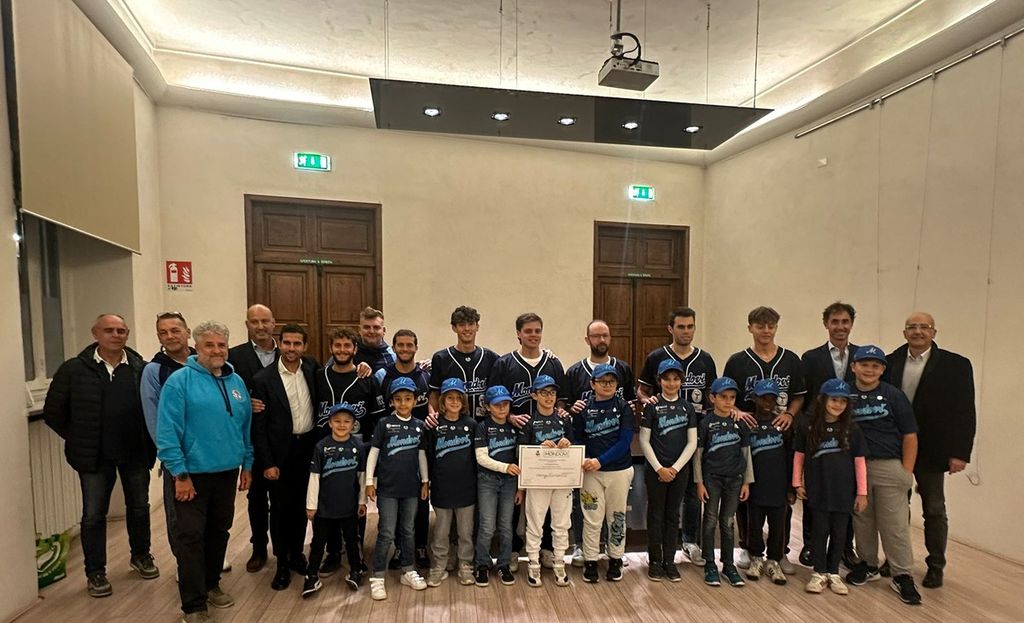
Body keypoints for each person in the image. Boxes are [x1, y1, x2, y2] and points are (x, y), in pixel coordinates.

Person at [44, 313, 158, 598]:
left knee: (139, 507)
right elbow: (54, 412)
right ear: (95, 333)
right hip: (94, 457)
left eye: (121, 331)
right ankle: (95, 572)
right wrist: (78, 437)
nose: (116, 335)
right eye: (109, 330)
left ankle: (141, 556)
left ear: (127, 334)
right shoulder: (73, 369)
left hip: (135, 451)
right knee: (94, 515)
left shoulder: (141, 368)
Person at [157, 320, 253, 622]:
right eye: (209, 345)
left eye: (221, 345)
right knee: (190, 537)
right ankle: (194, 604)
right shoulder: (179, 382)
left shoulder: (236, 383)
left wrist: (247, 464)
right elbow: (167, 432)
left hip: (227, 472)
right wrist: (180, 474)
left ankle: (212, 584)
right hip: (191, 475)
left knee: (219, 531)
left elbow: (245, 427)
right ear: (196, 347)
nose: (216, 350)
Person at [885, 312, 975, 589]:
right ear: (904, 333)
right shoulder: (889, 362)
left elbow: (964, 411)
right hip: (894, 447)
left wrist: (960, 452)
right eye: (912, 327)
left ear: (934, 332)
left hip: (933, 449)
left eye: (924, 327)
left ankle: (936, 565)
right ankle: (896, 560)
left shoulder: (956, 365)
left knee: (934, 508)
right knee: (895, 508)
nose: (918, 331)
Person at [723, 306, 804, 573]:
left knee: (781, 497)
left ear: (776, 327)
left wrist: (790, 414)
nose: (766, 330)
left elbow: (799, 396)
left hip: (779, 431)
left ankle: (780, 552)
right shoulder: (738, 361)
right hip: (747, 432)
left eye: (770, 325)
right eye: (760, 326)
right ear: (750, 328)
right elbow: (727, 395)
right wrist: (737, 411)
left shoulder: (791, 360)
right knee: (746, 494)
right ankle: (748, 547)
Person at [637, 306, 717, 566]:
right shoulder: (656, 356)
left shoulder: (705, 359)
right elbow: (641, 391)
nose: (686, 331)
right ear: (670, 328)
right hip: (663, 436)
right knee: (661, 502)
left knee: (694, 490)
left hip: (696, 434)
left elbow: (712, 396)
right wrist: (647, 400)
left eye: (690, 326)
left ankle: (690, 541)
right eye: (681, 326)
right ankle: (657, 552)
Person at [844, 345, 922, 606]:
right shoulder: (844, 394)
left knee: (894, 524)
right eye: (864, 364)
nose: (869, 369)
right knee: (862, 519)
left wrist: (906, 471)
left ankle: (902, 574)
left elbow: (910, 435)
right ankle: (868, 564)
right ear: (854, 367)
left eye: (875, 365)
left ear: (882, 370)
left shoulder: (893, 395)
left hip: (889, 466)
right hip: (856, 467)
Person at [251, 324, 321, 590]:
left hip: (307, 447)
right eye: (287, 343)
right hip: (280, 453)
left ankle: (297, 554)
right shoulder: (263, 379)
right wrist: (267, 462)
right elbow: (259, 427)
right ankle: (281, 563)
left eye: (297, 343)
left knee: (302, 505)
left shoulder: (312, 369)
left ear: (305, 346)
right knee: (280, 509)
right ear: (279, 344)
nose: (292, 348)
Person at [313, 327, 384, 577]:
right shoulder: (318, 376)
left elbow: (378, 419)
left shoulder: (367, 378)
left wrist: (372, 452)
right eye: (338, 345)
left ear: (355, 349)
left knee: (356, 501)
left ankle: (357, 551)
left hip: (357, 451)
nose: (342, 350)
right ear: (331, 348)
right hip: (325, 451)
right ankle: (333, 552)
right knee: (327, 500)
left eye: (347, 346)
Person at [793, 379, 867, 596]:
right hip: (818, 489)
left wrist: (862, 492)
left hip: (844, 491)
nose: (838, 405)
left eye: (843, 401)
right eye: (834, 400)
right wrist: (797, 482)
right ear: (822, 400)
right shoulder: (809, 427)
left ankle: (833, 572)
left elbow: (860, 462)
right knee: (819, 531)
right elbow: (799, 456)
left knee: (839, 533)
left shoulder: (852, 429)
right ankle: (819, 572)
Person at [799, 301, 859, 567]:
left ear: (851, 324)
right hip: (819, 432)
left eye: (845, 321)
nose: (840, 327)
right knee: (815, 489)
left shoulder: (860, 357)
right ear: (826, 324)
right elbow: (807, 396)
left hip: (847, 433)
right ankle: (810, 545)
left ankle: (845, 547)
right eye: (835, 322)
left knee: (846, 491)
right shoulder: (811, 358)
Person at [364, 377, 429, 600]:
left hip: (411, 488)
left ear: (415, 401)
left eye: (408, 399)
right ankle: (378, 577)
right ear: (392, 401)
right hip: (387, 489)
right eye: (398, 399)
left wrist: (425, 481)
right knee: (386, 532)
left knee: (408, 530)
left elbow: (421, 455)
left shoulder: (419, 426)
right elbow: (373, 452)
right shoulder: (384, 424)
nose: (403, 403)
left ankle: (408, 570)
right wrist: (369, 481)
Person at [140, 312, 195, 566]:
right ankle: (185, 563)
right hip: (178, 456)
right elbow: (154, 419)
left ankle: (211, 557)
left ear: (188, 332)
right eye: (163, 332)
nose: (170, 336)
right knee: (180, 515)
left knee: (210, 511)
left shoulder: (204, 362)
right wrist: (171, 456)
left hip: (209, 454)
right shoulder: (154, 371)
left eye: (175, 330)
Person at [377, 329, 434, 569]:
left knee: (420, 498)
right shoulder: (384, 376)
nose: (405, 349)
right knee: (396, 500)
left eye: (410, 345)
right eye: (400, 345)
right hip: (394, 448)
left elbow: (433, 402)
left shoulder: (425, 375)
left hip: (421, 445)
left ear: (416, 348)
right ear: (394, 347)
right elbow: (380, 412)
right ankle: (400, 547)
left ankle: (419, 546)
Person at [228, 304, 277, 573]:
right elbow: (225, 393)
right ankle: (259, 547)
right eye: (254, 322)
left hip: (282, 439)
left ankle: (285, 548)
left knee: (284, 499)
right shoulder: (234, 357)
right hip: (251, 440)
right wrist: (245, 402)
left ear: (274, 323)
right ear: (247, 325)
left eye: (265, 321)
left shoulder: (288, 354)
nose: (260, 326)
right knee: (257, 498)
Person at [639, 359, 698, 582]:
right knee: (656, 514)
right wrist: (659, 468)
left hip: (679, 471)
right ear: (659, 381)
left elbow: (692, 442)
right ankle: (655, 560)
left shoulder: (688, 407)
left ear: (681, 381)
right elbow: (644, 440)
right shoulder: (652, 406)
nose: (671, 383)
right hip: (655, 471)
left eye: (675, 379)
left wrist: (674, 468)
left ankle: (669, 560)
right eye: (667, 379)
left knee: (673, 515)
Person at [574, 364, 634, 584]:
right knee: (592, 518)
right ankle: (590, 560)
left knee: (616, 517)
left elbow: (625, 441)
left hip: (619, 471)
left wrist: (600, 460)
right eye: (602, 381)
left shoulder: (624, 407)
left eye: (612, 381)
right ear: (593, 384)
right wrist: (587, 459)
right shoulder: (583, 408)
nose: (607, 385)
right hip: (591, 473)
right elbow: (577, 438)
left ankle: (616, 558)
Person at [694, 377, 753, 588]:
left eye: (732, 398)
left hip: (735, 480)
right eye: (723, 397)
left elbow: (746, 454)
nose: (728, 401)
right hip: (712, 479)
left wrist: (747, 482)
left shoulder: (740, 423)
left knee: (728, 522)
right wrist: (699, 482)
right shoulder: (705, 423)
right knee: (710, 520)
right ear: (713, 398)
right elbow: (698, 455)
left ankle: (728, 565)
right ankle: (710, 564)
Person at [302, 403, 367, 598]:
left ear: (353, 424)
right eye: (337, 421)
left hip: (349, 506)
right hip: (324, 507)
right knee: (318, 542)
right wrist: (311, 505)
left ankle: (355, 570)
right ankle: (311, 576)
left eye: (347, 421)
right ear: (330, 423)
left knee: (351, 541)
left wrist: (362, 501)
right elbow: (314, 477)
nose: (342, 425)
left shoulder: (358, 447)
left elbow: (362, 477)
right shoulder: (321, 447)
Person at [519, 375, 573, 588]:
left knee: (561, 524)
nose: (549, 397)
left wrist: (568, 444)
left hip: (562, 481)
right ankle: (533, 563)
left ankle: (559, 562)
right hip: (537, 482)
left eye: (552, 393)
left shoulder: (564, 420)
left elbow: (575, 448)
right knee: (535, 524)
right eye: (544, 393)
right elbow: (520, 452)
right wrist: (538, 449)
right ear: (534, 395)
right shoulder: (529, 422)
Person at [425, 379, 478, 587]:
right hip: (442, 487)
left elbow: (476, 457)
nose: (454, 402)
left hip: (466, 487)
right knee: (441, 532)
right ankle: (439, 564)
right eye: (450, 398)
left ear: (463, 401)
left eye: (458, 398)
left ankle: (465, 564)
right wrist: (428, 481)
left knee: (465, 532)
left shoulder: (471, 425)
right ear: (442, 401)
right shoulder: (434, 425)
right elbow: (428, 455)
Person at [743, 379, 794, 586]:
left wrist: (791, 487)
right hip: (755, 485)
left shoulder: (783, 425)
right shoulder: (748, 424)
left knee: (778, 526)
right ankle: (756, 557)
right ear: (754, 398)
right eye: (763, 398)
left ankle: (774, 560)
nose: (767, 403)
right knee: (754, 524)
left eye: (772, 399)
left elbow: (791, 456)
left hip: (778, 485)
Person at [473, 385, 523, 587]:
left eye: (505, 404)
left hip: (510, 483)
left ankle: (504, 564)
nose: (502, 408)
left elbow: (521, 458)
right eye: (497, 404)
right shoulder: (482, 427)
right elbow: (481, 458)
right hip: (487, 481)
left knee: (506, 526)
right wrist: (505, 467)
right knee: (487, 526)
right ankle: (482, 564)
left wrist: (521, 487)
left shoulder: (515, 427)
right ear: (487, 407)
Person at [428, 306, 499, 422]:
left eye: (471, 324)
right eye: (461, 325)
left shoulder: (491, 357)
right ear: (454, 328)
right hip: (453, 425)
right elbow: (434, 394)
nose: (467, 328)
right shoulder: (441, 358)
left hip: (485, 424)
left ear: (477, 326)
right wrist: (433, 415)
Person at [354, 306, 397, 373]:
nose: (371, 331)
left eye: (376, 327)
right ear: (359, 330)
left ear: (384, 331)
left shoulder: (392, 358)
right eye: (367, 327)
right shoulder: (349, 353)